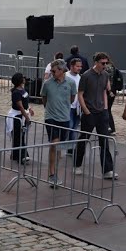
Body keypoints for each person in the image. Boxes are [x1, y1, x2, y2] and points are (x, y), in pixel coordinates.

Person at [75, 52, 116, 180]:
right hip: (89, 112)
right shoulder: (86, 76)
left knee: (104, 140)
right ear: (96, 62)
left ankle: (108, 169)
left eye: (106, 63)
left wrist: (105, 109)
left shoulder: (105, 75)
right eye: (102, 63)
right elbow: (80, 94)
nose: (105, 66)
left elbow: (105, 91)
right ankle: (77, 164)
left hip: (101, 112)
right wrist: (86, 110)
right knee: (84, 138)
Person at [41, 59, 74, 188]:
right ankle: (52, 173)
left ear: (61, 70)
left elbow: (72, 99)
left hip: (65, 118)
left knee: (59, 146)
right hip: (51, 118)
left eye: (54, 71)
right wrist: (50, 110)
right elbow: (44, 98)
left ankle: (55, 171)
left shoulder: (71, 83)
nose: (52, 73)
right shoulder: (47, 83)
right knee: (54, 144)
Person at [8, 72, 33, 165]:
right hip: (17, 116)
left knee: (20, 135)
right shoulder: (16, 93)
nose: (24, 78)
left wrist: (29, 109)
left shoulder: (22, 90)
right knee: (18, 136)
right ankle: (21, 155)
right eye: (22, 77)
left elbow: (25, 103)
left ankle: (15, 154)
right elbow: (20, 106)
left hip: (22, 114)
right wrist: (27, 117)